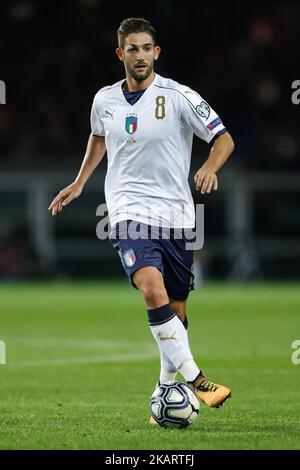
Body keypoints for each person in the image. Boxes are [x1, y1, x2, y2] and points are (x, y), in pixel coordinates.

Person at [48, 17, 235, 421]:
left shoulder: (180, 96)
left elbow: (223, 138)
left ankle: (166, 391)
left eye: (145, 48)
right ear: (121, 54)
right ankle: (197, 379)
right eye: (131, 48)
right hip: (128, 211)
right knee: (151, 289)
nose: (139, 55)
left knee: (177, 309)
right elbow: (99, 136)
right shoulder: (104, 100)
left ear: (156, 52)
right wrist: (81, 182)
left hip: (178, 214)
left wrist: (211, 166)